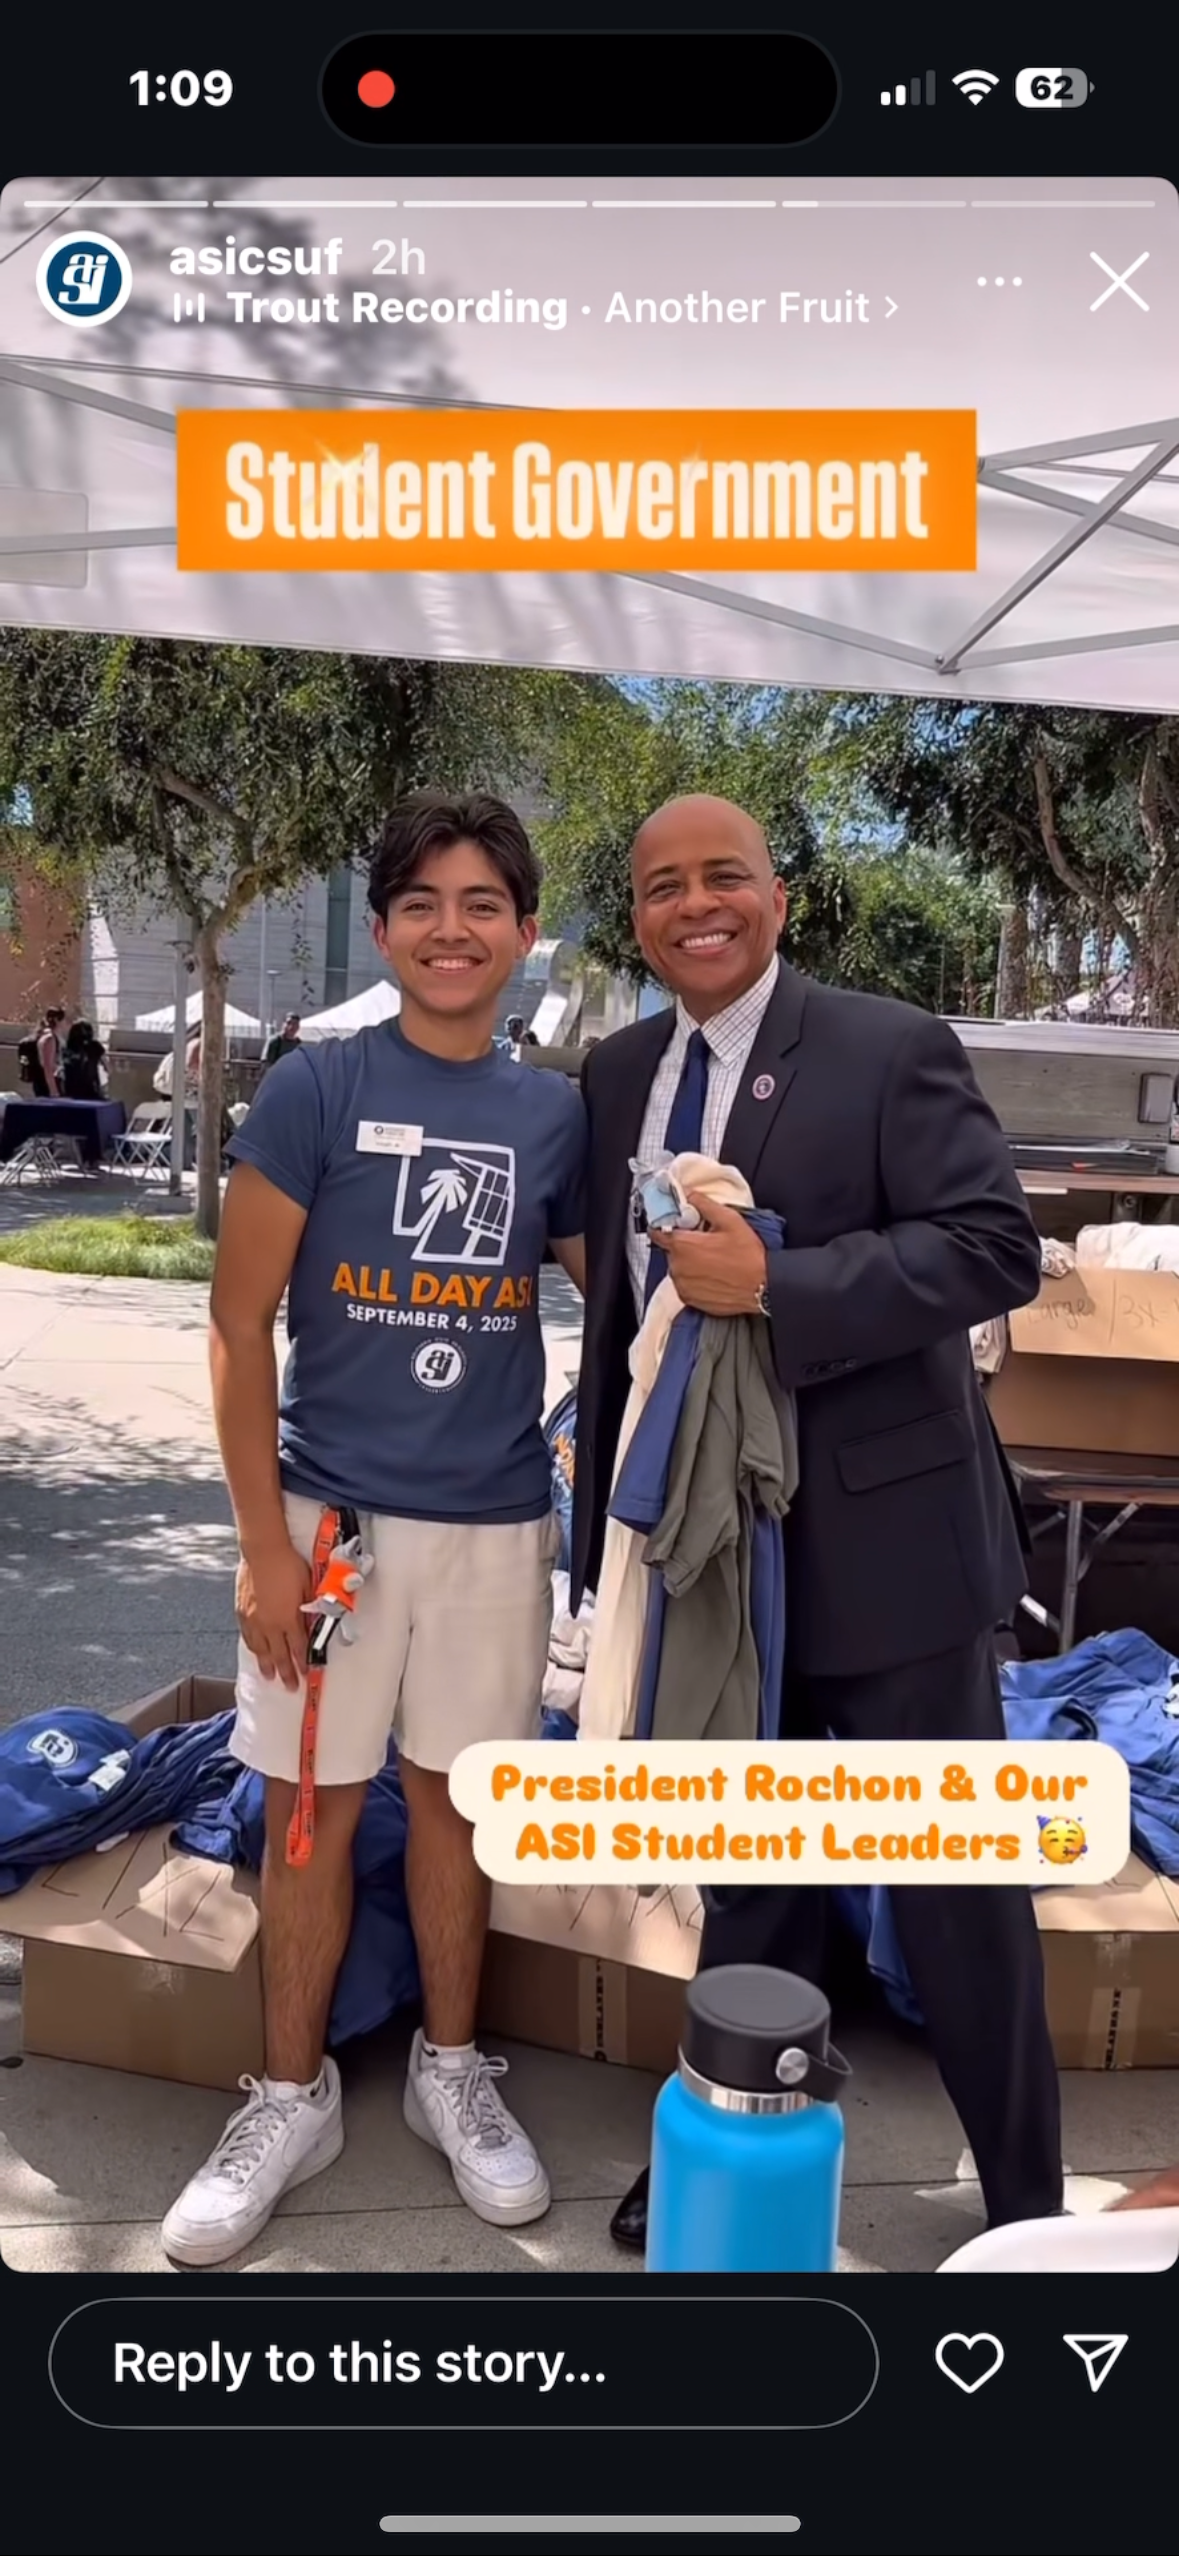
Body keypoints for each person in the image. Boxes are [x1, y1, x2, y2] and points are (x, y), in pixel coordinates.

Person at [569, 793, 1063, 2254]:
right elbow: (617, 1320)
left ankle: (1025, 2203)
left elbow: (992, 1249)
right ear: (639, 918)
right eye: (661, 885)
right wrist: (598, 1533)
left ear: (776, 899)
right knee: (752, 1872)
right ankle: (724, 2136)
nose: (692, 905)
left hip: (886, 1550)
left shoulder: (883, 1045)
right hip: (714, 1562)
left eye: (722, 877)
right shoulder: (613, 1073)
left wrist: (781, 1285)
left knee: (954, 1892)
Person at [162, 791, 587, 2268]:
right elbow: (235, 1318)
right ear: (387, 926)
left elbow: (633, 1295)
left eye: (482, 904)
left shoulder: (554, 1112)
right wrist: (263, 1544)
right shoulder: (316, 1089)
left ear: (526, 934)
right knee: (310, 1812)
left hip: (491, 1528)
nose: (451, 928)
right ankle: (288, 2095)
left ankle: (449, 2069)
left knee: (455, 1808)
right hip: (329, 1528)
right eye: (420, 902)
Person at [21, 1005, 66, 1098]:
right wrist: (54, 1091)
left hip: (41, 1082)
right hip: (46, 1084)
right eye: (63, 1020)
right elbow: (47, 1066)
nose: (65, 1023)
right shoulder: (49, 1039)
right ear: (57, 1020)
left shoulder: (42, 1034)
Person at [60, 1018, 107, 1103]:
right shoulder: (95, 1046)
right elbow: (108, 1066)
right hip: (91, 1088)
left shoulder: (67, 1048)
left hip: (71, 1089)